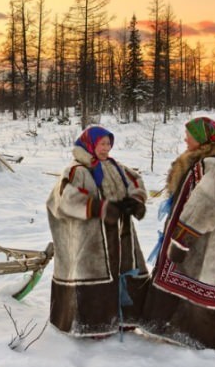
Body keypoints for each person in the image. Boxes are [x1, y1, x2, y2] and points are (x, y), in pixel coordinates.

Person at [140, 117, 215, 355]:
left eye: (190, 135)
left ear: (202, 139)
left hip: (210, 241)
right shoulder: (201, 163)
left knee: (210, 282)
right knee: (195, 282)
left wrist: (183, 237)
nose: (186, 139)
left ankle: (213, 339)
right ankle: (185, 331)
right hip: (202, 240)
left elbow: (212, 203)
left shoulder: (212, 166)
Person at [46, 125, 149, 338]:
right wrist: (97, 208)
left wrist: (135, 201)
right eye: (102, 143)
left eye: (109, 143)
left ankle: (125, 319)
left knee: (124, 269)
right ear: (89, 144)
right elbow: (63, 198)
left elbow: (136, 182)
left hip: (121, 235)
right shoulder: (76, 170)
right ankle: (94, 326)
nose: (106, 148)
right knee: (95, 275)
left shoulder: (116, 167)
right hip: (91, 239)